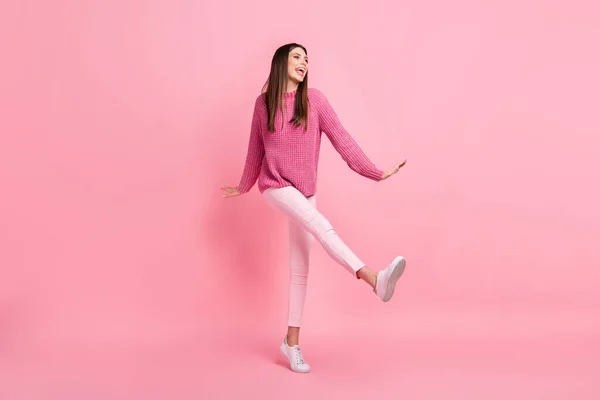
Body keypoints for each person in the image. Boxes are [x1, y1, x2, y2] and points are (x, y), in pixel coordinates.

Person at [220, 43, 407, 373]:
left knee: (300, 267)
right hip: (276, 185)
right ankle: (374, 278)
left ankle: (291, 343)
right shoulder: (263, 104)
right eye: (296, 57)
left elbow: (343, 140)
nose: (303, 63)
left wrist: (376, 173)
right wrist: (244, 185)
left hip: (305, 190)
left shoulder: (315, 101)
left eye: (306, 59)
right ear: (281, 63)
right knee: (323, 227)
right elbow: (255, 149)